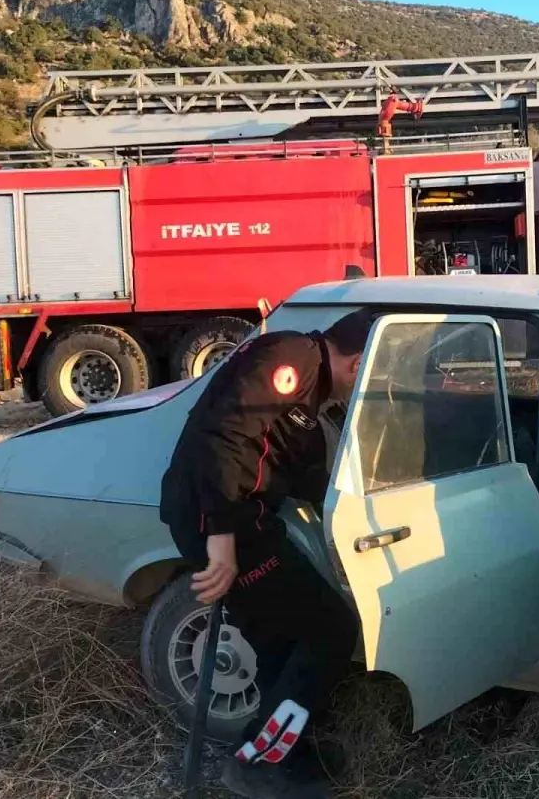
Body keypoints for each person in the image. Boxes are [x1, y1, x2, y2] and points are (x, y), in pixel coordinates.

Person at [159, 308, 378, 799]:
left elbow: (298, 472)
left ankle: (284, 747)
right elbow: (227, 437)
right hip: (221, 520)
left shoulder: (312, 391)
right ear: (359, 361)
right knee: (332, 630)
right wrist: (221, 539)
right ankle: (256, 762)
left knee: (282, 642)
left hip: (242, 519)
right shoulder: (292, 357)